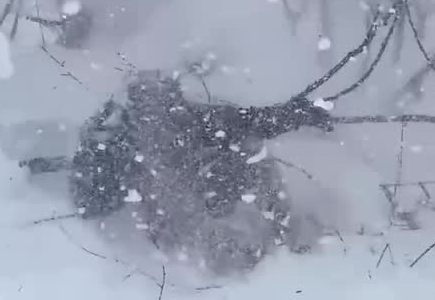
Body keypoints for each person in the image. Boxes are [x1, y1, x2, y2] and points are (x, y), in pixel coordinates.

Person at [67, 71, 333, 271]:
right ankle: (257, 268)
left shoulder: (183, 117)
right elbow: (175, 208)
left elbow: (242, 122)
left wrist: (292, 115)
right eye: (156, 102)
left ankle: (286, 235)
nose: (170, 109)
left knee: (249, 149)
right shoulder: (131, 148)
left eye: (170, 99)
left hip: (193, 199)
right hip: (172, 226)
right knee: (200, 227)